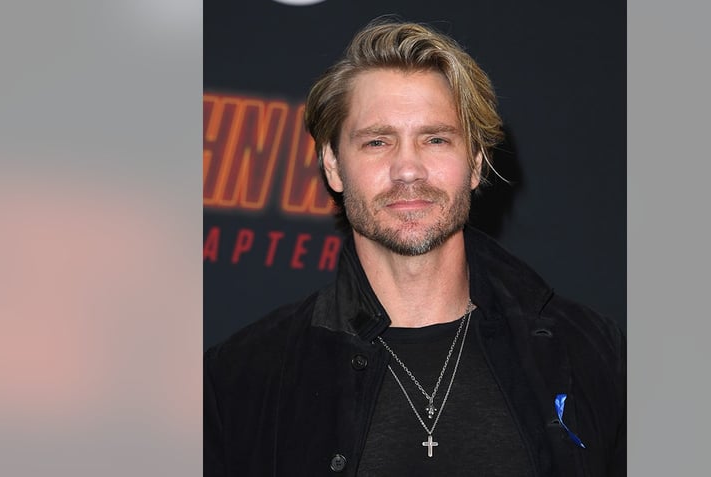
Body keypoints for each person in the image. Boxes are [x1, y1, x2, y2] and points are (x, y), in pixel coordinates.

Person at [204, 18, 626, 477]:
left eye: (436, 139)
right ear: (333, 166)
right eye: (378, 141)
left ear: (475, 164)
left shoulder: (593, 355)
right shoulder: (240, 380)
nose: (408, 170)